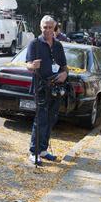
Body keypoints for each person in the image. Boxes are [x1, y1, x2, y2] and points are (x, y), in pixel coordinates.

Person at [26, 15, 68, 165]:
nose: (48, 30)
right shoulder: (34, 44)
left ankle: (43, 150)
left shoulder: (58, 45)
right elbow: (28, 66)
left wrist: (64, 74)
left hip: (56, 88)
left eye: (50, 27)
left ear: (54, 28)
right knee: (40, 120)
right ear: (40, 27)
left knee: (51, 119)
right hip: (40, 88)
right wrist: (33, 66)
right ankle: (34, 152)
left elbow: (64, 67)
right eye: (45, 27)